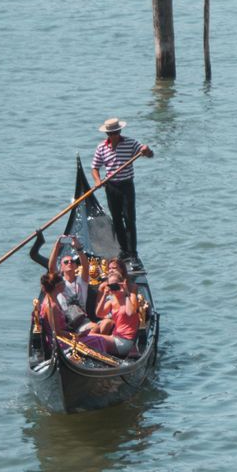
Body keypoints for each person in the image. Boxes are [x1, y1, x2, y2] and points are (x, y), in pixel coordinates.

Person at [92, 119, 154, 267]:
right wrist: (97, 181)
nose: (115, 135)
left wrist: (147, 150)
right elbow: (95, 167)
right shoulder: (101, 148)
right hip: (111, 186)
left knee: (129, 219)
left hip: (126, 185)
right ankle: (124, 250)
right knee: (117, 220)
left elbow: (149, 154)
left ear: (120, 132)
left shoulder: (131, 143)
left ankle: (133, 254)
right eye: (112, 133)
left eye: (117, 132)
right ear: (108, 133)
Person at [79, 262, 142, 357]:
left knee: (88, 338)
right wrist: (104, 294)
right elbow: (99, 314)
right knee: (86, 336)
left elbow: (130, 312)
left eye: (115, 286)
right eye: (111, 286)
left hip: (125, 342)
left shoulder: (128, 297)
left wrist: (126, 293)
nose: (113, 289)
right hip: (115, 338)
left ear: (121, 284)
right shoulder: (112, 300)